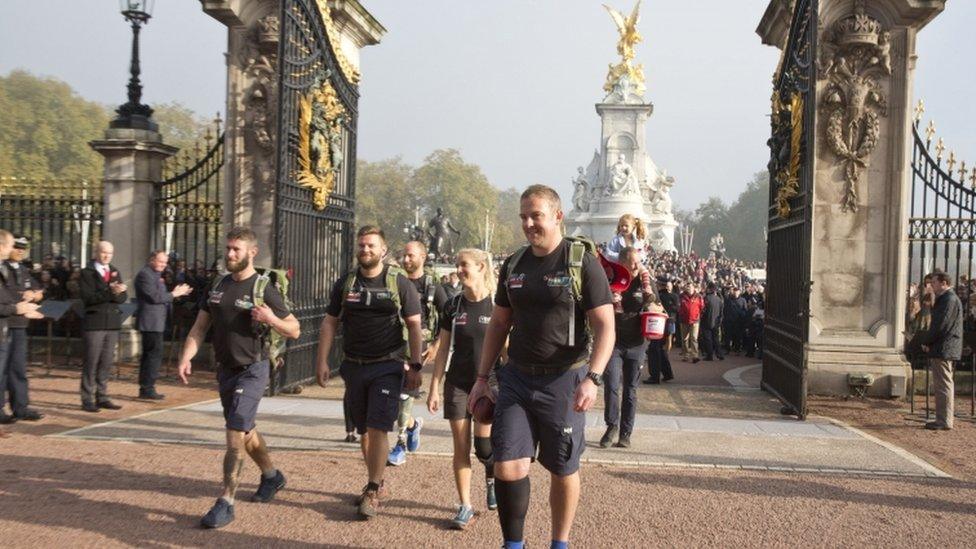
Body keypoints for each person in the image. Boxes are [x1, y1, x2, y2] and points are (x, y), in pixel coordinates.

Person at [468, 184, 614, 549]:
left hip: (565, 380)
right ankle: (513, 544)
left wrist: (593, 378)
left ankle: (559, 543)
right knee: (508, 466)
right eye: (523, 217)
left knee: (563, 468)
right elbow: (499, 324)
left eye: (536, 216)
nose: (529, 223)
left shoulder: (581, 262)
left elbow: (605, 326)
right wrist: (482, 378)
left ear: (558, 216)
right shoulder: (515, 264)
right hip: (516, 377)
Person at [177, 227, 301, 529]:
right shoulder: (217, 285)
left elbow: (294, 328)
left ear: (251, 253)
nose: (230, 254)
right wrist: (186, 355)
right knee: (245, 431)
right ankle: (272, 476)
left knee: (234, 433)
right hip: (226, 369)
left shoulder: (263, 287)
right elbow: (199, 327)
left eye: (236, 249)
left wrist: (270, 318)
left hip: (253, 368)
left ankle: (226, 502)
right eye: (228, 248)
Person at [315, 225, 424, 519]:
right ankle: (376, 480)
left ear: (383, 251)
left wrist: (415, 365)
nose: (365, 250)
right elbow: (329, 323)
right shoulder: (346, 283)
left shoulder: (399, 283)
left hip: (387, 365)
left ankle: (373, 488)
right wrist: (322, 360)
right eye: (362, 245)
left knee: (378, 428)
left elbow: (414, 325)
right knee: (364, 431)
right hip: (354, 366)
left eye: (371, 246)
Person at [428, 248, 500, 529]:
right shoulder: (453, 305)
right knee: (461, 448)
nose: (459, 270)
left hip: (488, 386)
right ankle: (465, 505)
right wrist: (434, 387)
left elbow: (506, 352)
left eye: (464, 265)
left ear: (481, 267)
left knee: (484, 449)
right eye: (457, 265)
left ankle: (491, 476)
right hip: (457, 384)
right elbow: (443, 348)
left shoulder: (497, 305)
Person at [388, 240, 447, 466]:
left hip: (418, 346)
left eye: (411, 255)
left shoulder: (433, 286)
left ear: (422, 257)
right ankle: (412, 425)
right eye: (404, 255)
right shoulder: (395, 282)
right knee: (390, 399)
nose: (406, 259)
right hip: (393, 344)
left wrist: (436, 345)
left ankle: (400, 443)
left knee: (405, 395)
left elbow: (447, 319)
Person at [602, 246, 656, 448]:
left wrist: (650, 301)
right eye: (631, 263)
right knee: (611, 385)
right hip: (615, 341)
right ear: (622, 263)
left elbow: (658, 306)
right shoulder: (612, 279)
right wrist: (609, 299)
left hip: (637, 342)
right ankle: (611, 426)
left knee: (631, 390)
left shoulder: (646, 280)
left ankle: (626, 432)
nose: (635, 266)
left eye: (637, 262)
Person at [78, 241, 128, 412]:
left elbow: (122, 299)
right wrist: (110, 292)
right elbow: (88, 297)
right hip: (95, 322)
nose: (107, 256)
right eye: (104, 252)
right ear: (96, 252)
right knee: (91, 361)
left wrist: (119, 292)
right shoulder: (87, 273)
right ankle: (87, 398)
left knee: (106, 361)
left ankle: (102, 395)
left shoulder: (114, 271)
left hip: (112, 323)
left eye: (110, 253)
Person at [135, 250, 191, 400]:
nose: (163, 265)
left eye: (165, 263)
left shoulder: (155, 275)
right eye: (160, 262)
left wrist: (175, 293)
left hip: (157, 321)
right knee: (153, 355)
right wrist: (174, 294)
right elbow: (155, 297)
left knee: (152, 355)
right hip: (150, 322)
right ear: (152, 259)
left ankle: (147, 387)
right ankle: (147, 387)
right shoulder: (145, 274)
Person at [0, 235, 45, 423]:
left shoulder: (24, 270)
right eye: (16, 246)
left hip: (19, 324)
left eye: (22, 248)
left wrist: (34, 295)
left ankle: (20, 406)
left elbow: (39, 292)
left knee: (18, 368)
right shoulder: (4, 269)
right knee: (2, 370)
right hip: (6, 321)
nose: (19, 250)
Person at [918, 271, 963, 430]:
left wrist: (927, 341)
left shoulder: (948, 299)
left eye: (934, 283)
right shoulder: (946, 299)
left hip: (943, 347)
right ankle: (943, 418)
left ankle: (944, 420)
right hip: (943, 346)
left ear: (944, 283)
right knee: (943, 384)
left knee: (943, 385)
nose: (931, 286)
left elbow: (940, 325)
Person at [645, 278, 675, 385]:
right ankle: (667, 373)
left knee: (654, 350)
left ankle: (654, 376)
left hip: (657, 325)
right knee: (660, 350)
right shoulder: (672, 296)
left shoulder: (659, 297)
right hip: (667, 325)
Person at [678, 282, 703, 364]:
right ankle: (686, 355)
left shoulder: (699, 296)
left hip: (695, 320)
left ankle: (695, 356)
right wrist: (681, 314)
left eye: (690, 287)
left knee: (694, 338)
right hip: (684, 320)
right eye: (687, 287)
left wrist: (698, 316)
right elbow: (678, 307)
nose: (688, 288)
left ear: (694, 288)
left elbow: (702, 307)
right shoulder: (681, 296)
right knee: (684, 339)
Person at [700, 283, 724, 361]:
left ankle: (709, 355)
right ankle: (719, 354)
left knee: (708, 339)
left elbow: (703, 310)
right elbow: (721, 312)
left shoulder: (706, 298)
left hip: (706, 321)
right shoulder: (719, 299)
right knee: (716, 339)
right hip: (716, 322)